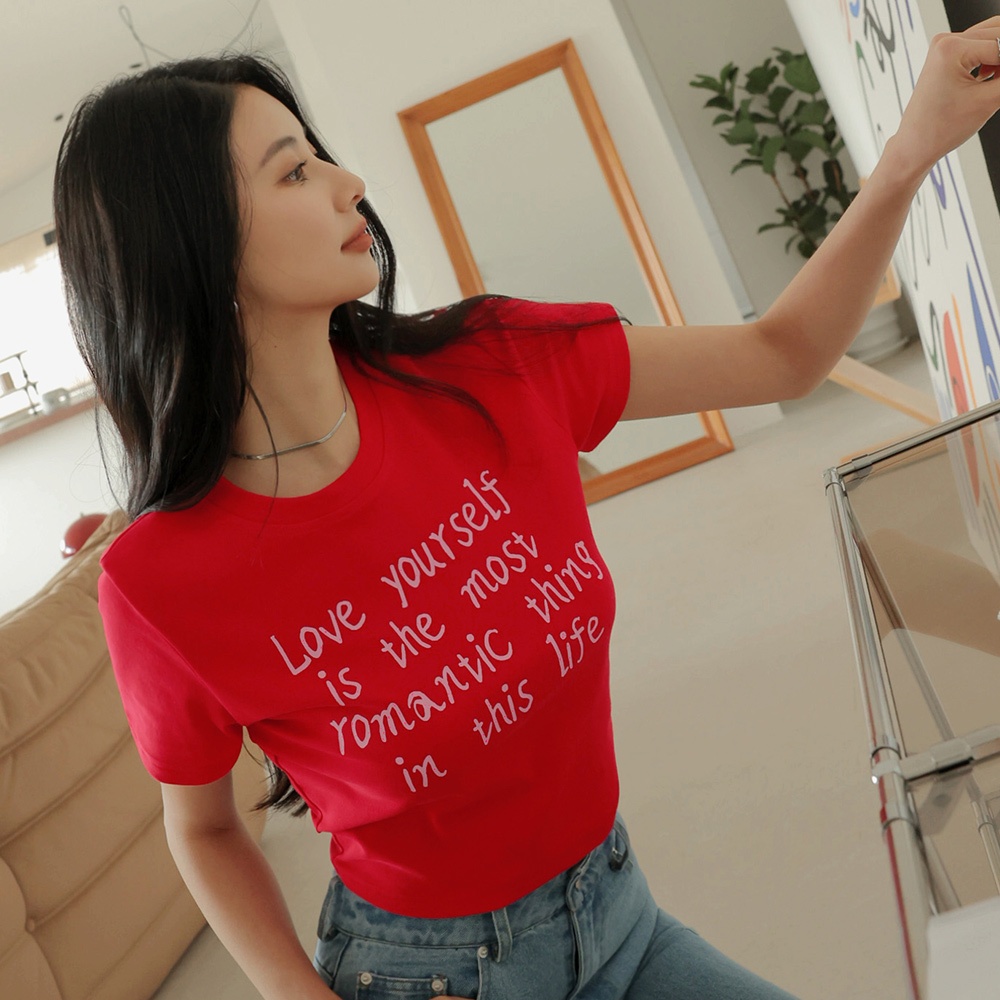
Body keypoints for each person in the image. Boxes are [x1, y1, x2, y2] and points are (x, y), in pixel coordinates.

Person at [52, 19, 1000, 1000]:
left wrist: (910, 151)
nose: (348, 184)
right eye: (294, 172)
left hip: (619, 913)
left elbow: (781, 355)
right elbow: (203, 826)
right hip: (428, 977)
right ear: (193, 244)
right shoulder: (159, 584)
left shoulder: (494, 365)